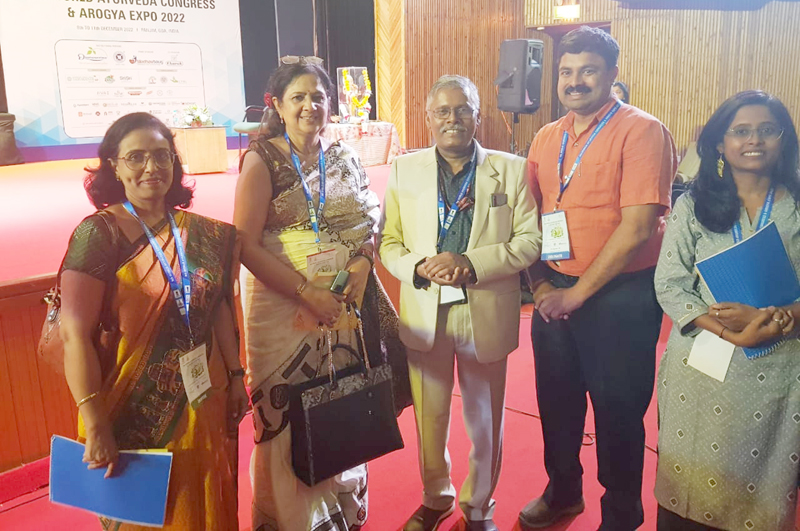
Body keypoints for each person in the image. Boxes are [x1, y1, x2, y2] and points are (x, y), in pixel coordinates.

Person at [234, 57, 404, 531]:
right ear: (277, 106)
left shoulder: (343, 155)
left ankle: (338, 508)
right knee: (286, 408)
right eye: (298, 97)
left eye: (318, 96)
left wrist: (364, 261)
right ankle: (294, 518)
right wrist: (305, 291)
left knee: (337, 392)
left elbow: (369, 221)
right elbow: (245, 244)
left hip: (341, 299)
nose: (310, 105)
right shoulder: (262, 159)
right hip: (281, 304)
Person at [520, 27, 677, 530]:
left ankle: (621, 515)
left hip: (620, 296)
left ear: (612, 74)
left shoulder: (642, 131)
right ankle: (564, 492)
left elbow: (637, 228)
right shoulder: (547, 136)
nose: (575, 81)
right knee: (556, 403)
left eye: (588, 71)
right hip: (555, 288)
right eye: (566, 72)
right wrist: (541, 285)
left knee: (618, 411)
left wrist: (577, 295)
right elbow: (528, 217)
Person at [59, 112, 248, 530]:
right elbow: (74, 335)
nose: (152, 167)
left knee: (205, 507)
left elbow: (218, 306)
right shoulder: (100, 234)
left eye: (162, 156)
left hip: (203, 401)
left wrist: (237, 375)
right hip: (130, 408)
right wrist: (95, 424)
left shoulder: (201, 234)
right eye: (136, 157)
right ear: (114, 165)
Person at [380, 75, 541, 531]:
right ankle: (436, 497)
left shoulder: (511, 170)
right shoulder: (404, 169)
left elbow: (530, 241)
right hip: (425, 308)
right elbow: (388, 241)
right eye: (443, 111)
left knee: (485, 418)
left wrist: (471, 264)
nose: (453, 119)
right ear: (428, 118)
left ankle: (479, 507)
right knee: (429, 418)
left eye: (463, 109)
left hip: (483, 307)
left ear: (477, 116)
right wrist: (417, 266)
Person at [654, 90, 800, 530]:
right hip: (704, 365)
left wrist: (785, 316)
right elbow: (670, 283)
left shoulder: (796, 204)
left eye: (767, 130)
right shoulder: (693, 204)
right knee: (690, 486)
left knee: (763, 492)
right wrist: (729, 331)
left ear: (784, 138)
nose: (754, 140)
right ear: (720, 143)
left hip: (783, 364)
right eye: (741, 131)